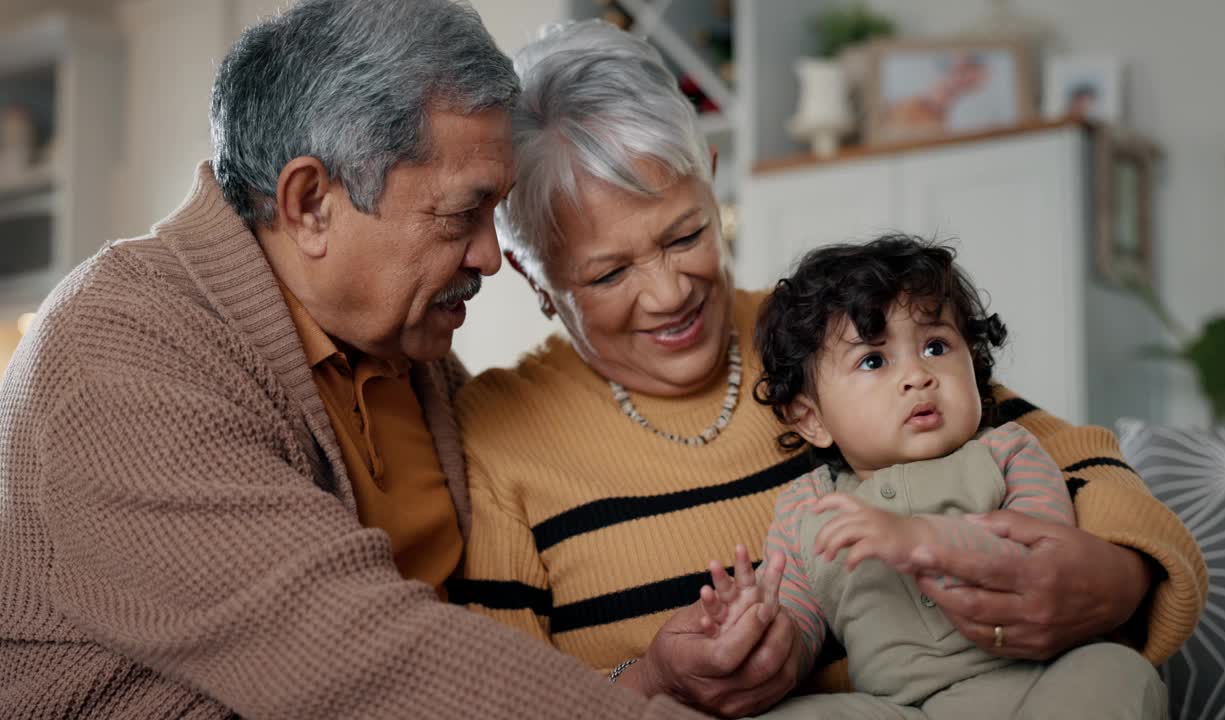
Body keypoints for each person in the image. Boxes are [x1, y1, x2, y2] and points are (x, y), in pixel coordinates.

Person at [453, 19, 1205, 719]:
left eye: (685, 234)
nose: (669, 292)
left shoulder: (827, 330)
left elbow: (1079, 465)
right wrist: (653, 682)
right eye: (610, 274)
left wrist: (1114, 581)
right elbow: (503, 695)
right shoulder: (499, 436)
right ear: (532, 275)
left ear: (714, 182)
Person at [0, 2, 704, 718]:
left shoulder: (401, 345)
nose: (490, 257)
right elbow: (361, 657)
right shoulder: (119, 353)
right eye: (463, 214)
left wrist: (639, 682)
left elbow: (474, 635)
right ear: (309, 204)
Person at [693, 236, 1166, 718]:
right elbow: (799, 632)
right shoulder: (805, 509)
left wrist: (918, 539)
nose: (918, 375)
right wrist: (757, 632)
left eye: (936, 346)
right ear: (811, 418)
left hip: (1040, 685)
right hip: (902, 709)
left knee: (1117, 670)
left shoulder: (1007, 450)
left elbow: (1042, 558)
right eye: (873, 360)